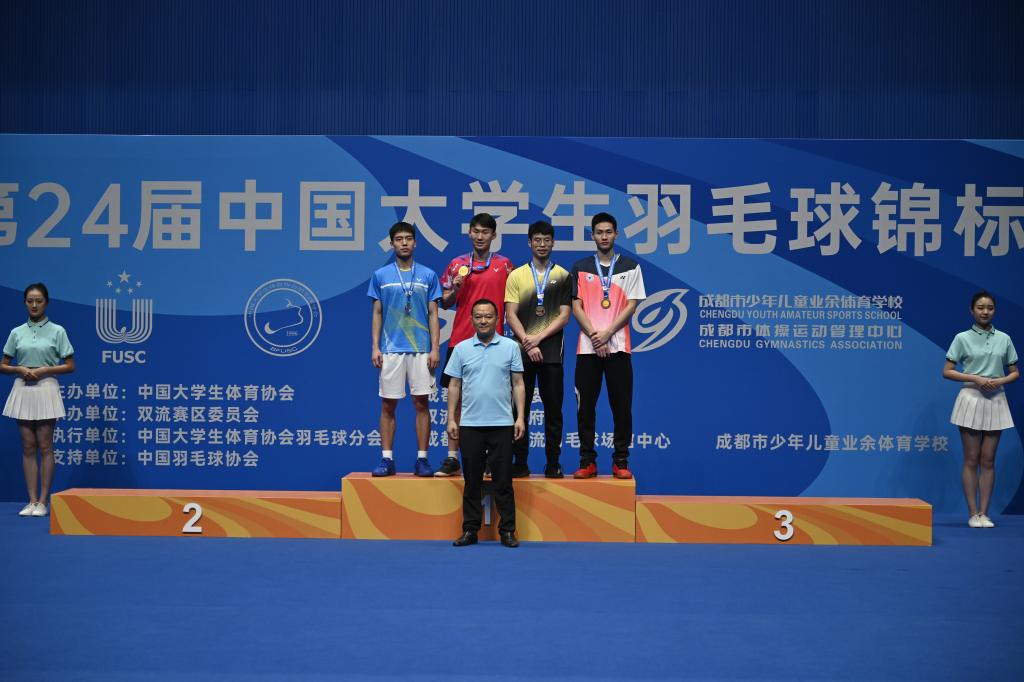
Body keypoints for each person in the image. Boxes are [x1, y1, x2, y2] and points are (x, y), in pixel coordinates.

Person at [435, 213, 513, 477]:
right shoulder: (457, 264)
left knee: (493, 398)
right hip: (461, 342)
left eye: (485, 232)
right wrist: (456, 288)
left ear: (494, 235)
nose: (480, 236)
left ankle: (490, 459)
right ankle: (452, 457)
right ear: (469, 233)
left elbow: (512, 302)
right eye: (476, 231)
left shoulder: (504, 265)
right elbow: (445, 301)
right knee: (457, 400)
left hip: (495, 344)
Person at [570, 212, 646, 479]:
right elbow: (576, 306)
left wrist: (608, 333)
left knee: (621, 407)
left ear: (616, 234)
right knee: (585, 407)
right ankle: (587, 460)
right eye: (599, 232)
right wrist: (595, 335)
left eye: (608, 232)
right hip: (587, 348)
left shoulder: (630, 267)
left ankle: (621, 461)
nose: (604, 236)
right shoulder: (580, 267)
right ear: (592, 235)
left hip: (619, 347)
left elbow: (632, 305)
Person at [445, 299, 526, 547]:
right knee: (472, 481)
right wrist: (451, 418)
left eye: (488, 316)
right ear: (471, 319)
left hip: (502, 423)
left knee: (503, 481)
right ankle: (470, 530)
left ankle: (508, 531)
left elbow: (518, 384)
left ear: (497, 319)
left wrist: (520, 417)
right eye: (478, 316)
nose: (483, 321)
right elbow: (454, 385)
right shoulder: (461, 349)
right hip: (470, 424)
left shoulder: (511, 347)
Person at [368, 222, 442, 476]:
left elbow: (433, 314)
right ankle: (387, 459)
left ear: (415, 243)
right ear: (392, 243)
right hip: (390, 349)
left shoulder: (428, 275)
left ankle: (422, 459)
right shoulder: (380, 276)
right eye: (399, 239)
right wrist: (375, 347)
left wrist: (435, 348)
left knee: (421, 404)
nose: (404, 243)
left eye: (408, 238)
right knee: (388, 405)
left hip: (421, 349)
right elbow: (377, 313)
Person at [943, 290, 1018, 528]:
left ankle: (984, 513)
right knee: (971, 457)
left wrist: (1000, 380)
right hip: (971, 398)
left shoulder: (1004, 338)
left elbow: (1014, 372)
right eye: (980, 307)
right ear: (972, 310)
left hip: (996, 399)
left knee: (988, 459)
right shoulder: (962, 338)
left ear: (994, 310)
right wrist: (975, 378)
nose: (985, 312)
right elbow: (947, 371)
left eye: (990, 308)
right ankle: (973, 513)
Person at [1, 283, 75, 517]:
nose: (34, 305)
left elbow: (70, 365)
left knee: (45, 445)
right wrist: (18, 369)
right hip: (23, 388)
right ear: (25, 303)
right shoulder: (16, 332)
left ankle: (43, 501)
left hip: (46, 387)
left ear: (46, 303)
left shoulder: (57, 331)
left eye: (39, 301)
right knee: (28, 446)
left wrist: (44, 370)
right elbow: (3, 365)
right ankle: (31, 500)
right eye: (30, 301)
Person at [505, 220, 572, 478]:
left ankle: (553, 463)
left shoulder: (564, 276)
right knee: (518, 409)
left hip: (552, 353)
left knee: (553, 410)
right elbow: (510, 314)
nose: (542, 244)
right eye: (537, 240)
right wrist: (527, 341)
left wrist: (538, 338)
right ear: (529, 242)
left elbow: (564, 316)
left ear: (553, 242)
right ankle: (519, 462)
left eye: (547, 240)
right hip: (521, 353)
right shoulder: (517, 275)